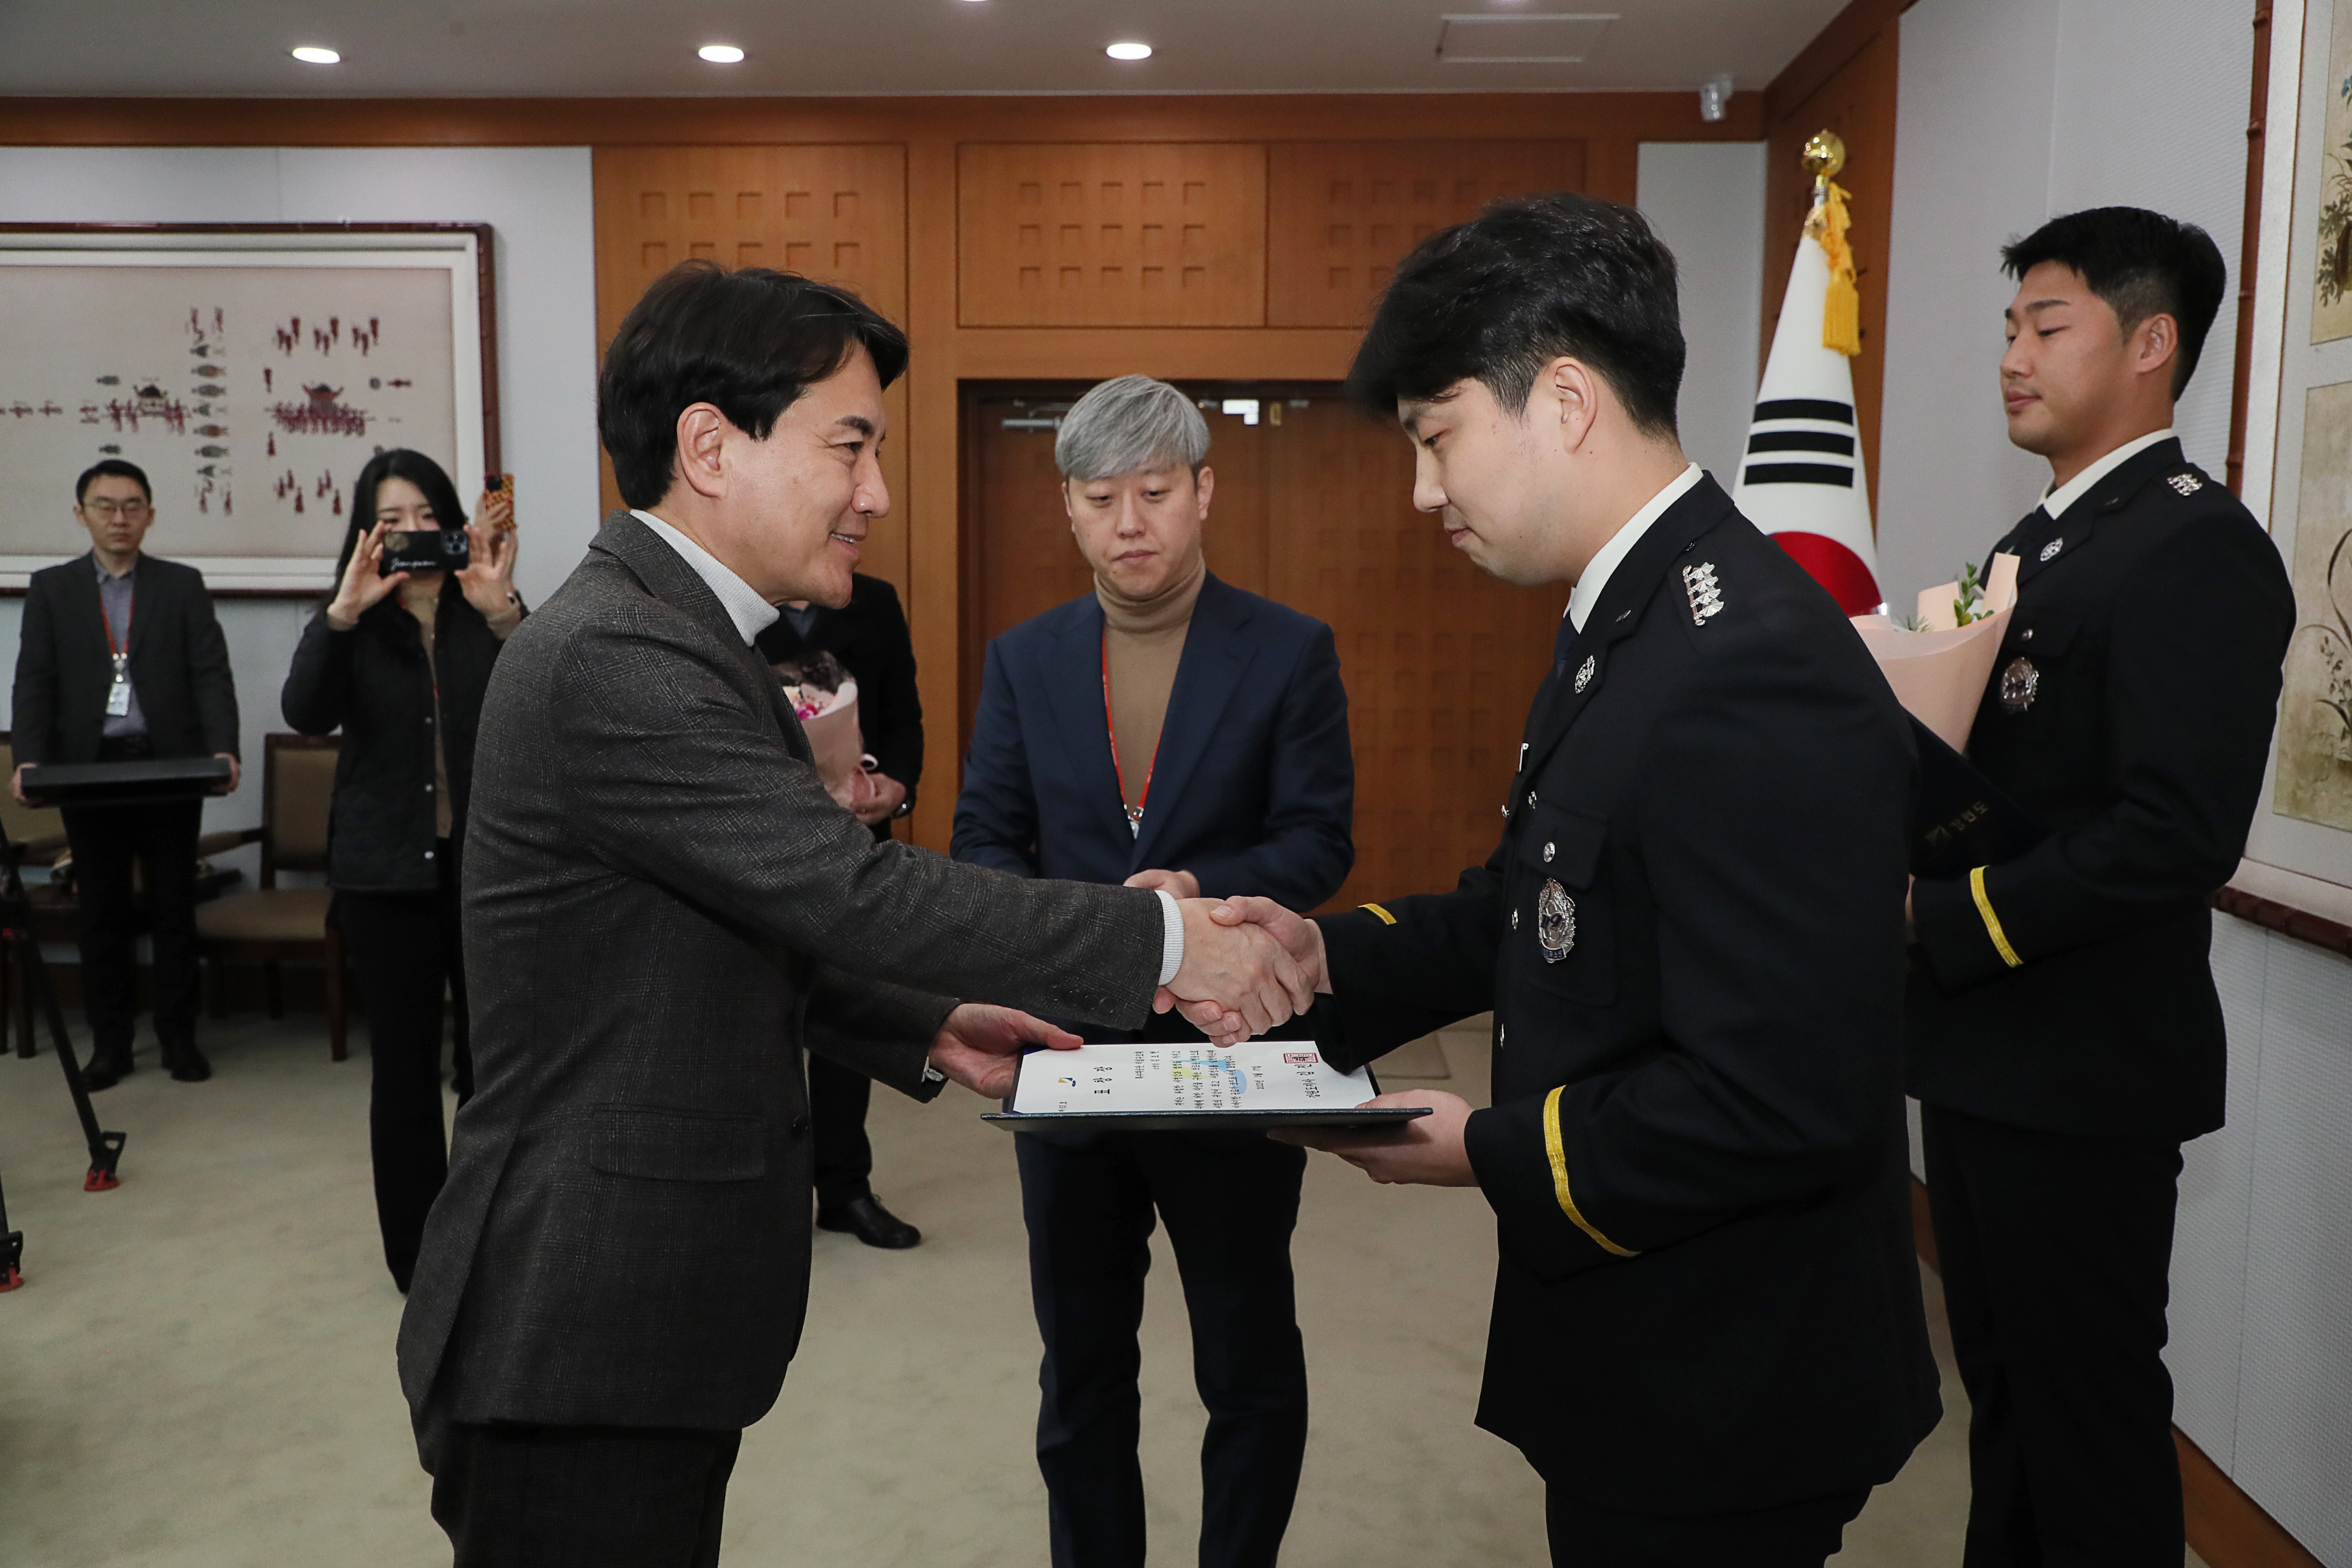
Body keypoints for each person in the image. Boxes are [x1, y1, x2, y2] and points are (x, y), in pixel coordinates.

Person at [394, 260, 1310, 1568]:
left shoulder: (685, 637)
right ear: (710, 447)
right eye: (850, 446)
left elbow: (705, 930)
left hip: (637, 1313)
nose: (876, 492)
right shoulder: (620, 653)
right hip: (579, 1317)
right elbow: (851, 888)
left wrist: (919, 1021)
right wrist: (1173, 941)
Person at [1185, 194, 1941, 1565]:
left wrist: (1483, 1148)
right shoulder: (1629, 618)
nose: (1425, 492)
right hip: (1642, 1335)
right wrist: (1323, 954)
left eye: (1438, 437)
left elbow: (1780, 1095)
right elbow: (1538, 907)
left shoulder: (1744, 657)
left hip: (1726, 1375)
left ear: (1569, 401)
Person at [1905, 209, 2294, 1565]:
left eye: (2047, 324)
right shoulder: (2050, 538)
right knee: (2008, 1397)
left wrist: (1942, 918)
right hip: (1987, 1050)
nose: (2013, 356)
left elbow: (2175, 833)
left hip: (2082, 1066)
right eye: (2010, 328)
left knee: (2087, 1420)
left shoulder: (2196, 546)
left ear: (2150, 342)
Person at [953, 374, 1353, 1568]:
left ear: (1204, 491)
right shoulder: (1024, 660)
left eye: (1155, 492)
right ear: (1068, 508)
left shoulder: (1287, 650)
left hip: (1232, 1055)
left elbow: (1318, 839)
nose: (1129, 522)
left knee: (1246, 1358)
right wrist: (1095, 926)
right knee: (1081, 1369)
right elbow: (984, 842)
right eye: (1100, 498)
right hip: (1069, 1057)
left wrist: (1194, 891)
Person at [281, 449, 522, 1294]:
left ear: (453, 523)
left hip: (486, 871)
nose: (413, 533)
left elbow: (550, 707)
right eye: (393, 520)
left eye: (427, 516)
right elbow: (304, 713)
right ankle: (419, 1258)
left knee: (494, 1065)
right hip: (385, 874)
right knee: (405, 1069)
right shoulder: (354, 621)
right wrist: (342, 614)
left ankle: (494, 1235)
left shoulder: (480, 604)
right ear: (367, 533)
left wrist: (502, 612)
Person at [10, 459, 240, 1088]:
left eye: (132, 505)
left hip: (169, 767)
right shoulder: (53, 589)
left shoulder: (181, 584)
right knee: (101, 914)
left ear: (150, 514)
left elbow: (210, 673)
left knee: (173, 909)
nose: (119, 518)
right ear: (81, 513)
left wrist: (224, 749)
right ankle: (110, 1044)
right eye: (105, 505)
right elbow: (34, 679)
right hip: (89, 772)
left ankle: (179, 1038)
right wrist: (27, 758)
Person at [754, 573, 927, 1249]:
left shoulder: (874, 599)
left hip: (855, 842)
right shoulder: (739, 596)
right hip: (758, 846)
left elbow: (902, 714)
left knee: (852, 1018)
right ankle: (767, 1198)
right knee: (761, 1022)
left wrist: (896, 787)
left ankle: (846, 1187)